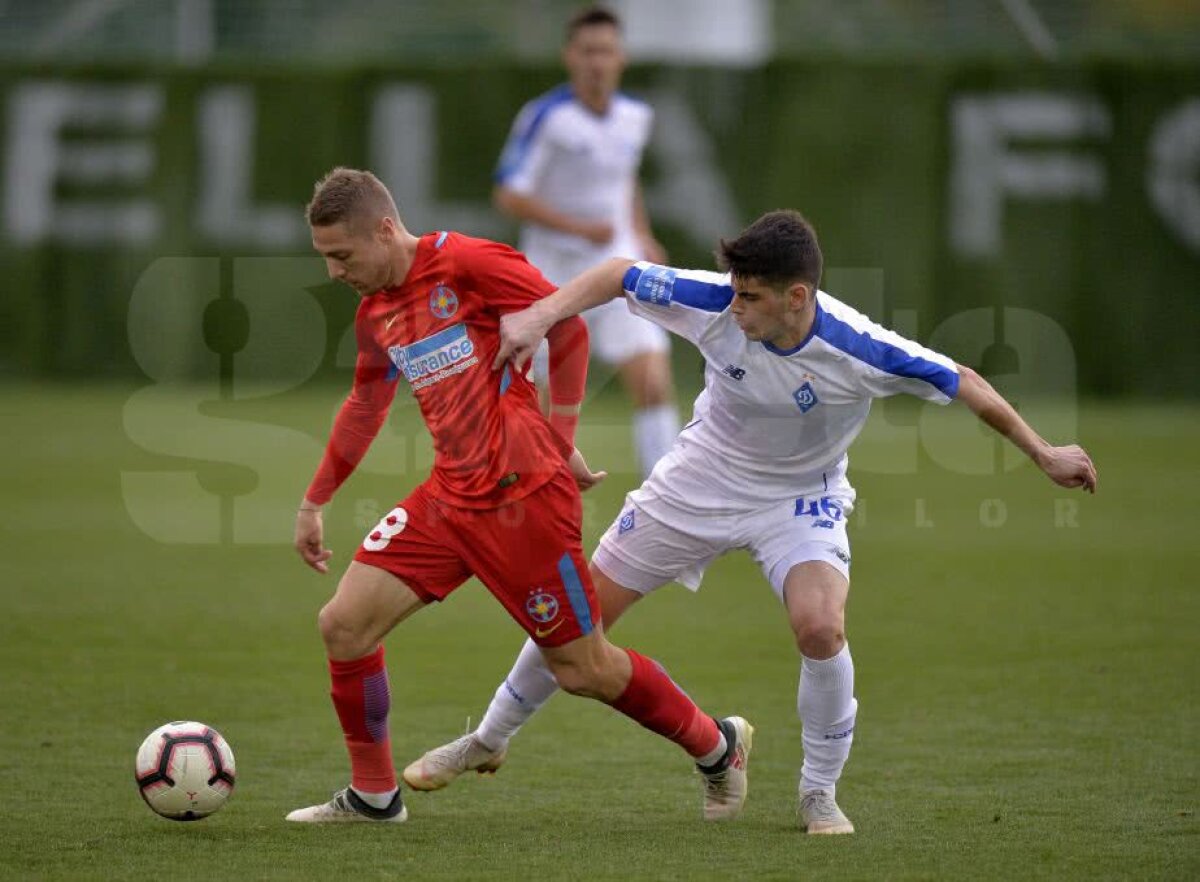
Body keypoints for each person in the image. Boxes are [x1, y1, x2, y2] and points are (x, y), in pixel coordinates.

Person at [402, 210, 1099, 834]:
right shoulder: (713, 300)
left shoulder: (858, 347)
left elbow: (963, 380)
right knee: (576, 619)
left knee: (821, 626)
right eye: (733, 290)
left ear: (797, 298)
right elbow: (618, 273)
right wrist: (541, 316)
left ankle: (818, 794)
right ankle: (489, 739)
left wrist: (1043, 452)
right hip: (698, 482)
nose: (734, 306)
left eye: (751, 297)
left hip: (800, 498)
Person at [285, 167, 752, 825]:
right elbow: (365, 404)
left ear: (385, 230)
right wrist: (313, 502)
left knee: (584, 669)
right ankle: (373, 797)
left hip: (527, 500)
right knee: (344, 625)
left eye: (342, 255)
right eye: (325, 257)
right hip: (449, 500)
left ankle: (716, 745)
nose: (334, 272)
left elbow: (569, 329)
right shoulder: (377, 312)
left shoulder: (469, 263)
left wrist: (559, 441)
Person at [493, 5, 679, 478]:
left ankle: (666, 501)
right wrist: (576, 227)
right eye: (588, 51)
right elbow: (508, 194)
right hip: (551, 276)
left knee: (653, 381)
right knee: (536, 396)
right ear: (570, 56)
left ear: (622, 58)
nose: (598, 61)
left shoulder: (635, 117)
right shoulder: (545, 117)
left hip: (617, 269)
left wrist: (642, 233)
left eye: (607, 51)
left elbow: (623, 179)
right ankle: (533, 491)